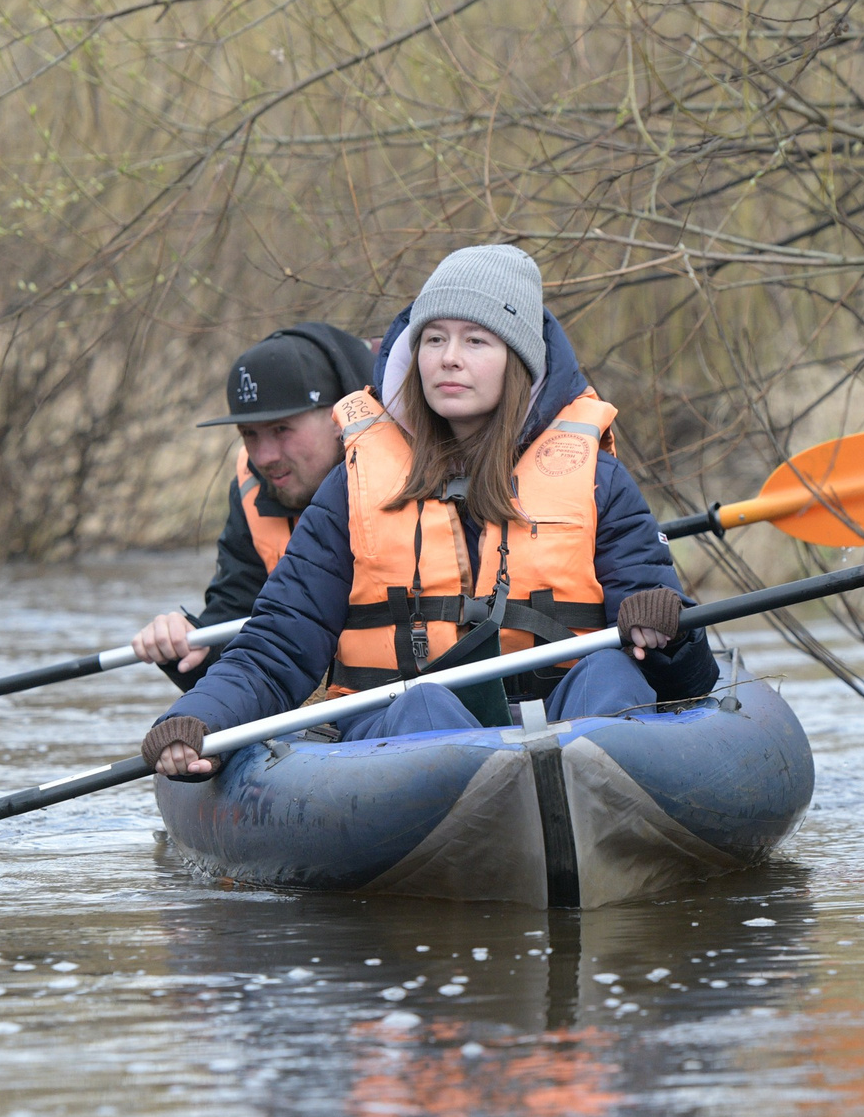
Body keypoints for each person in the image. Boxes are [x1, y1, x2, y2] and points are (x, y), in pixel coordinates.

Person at [143, 245, 716, 778]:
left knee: (611, 673)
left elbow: (691, 676)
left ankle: (587, 806)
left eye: (476, 341)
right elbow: (278, 644)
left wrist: (667, 630)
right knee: (425, 705)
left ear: (518, 361)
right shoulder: (350, 487)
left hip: (567, 720)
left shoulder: (597, 479)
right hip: (406, 736)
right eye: (434, 339)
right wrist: (201, 717)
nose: (449, 359)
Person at [131, 323, 374, 689]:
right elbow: (233, 633)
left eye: (281, 430)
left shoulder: (414, 474)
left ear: (340, 417)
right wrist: (187, 645)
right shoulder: (254, 491)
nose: (264, 457)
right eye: (249, 434)